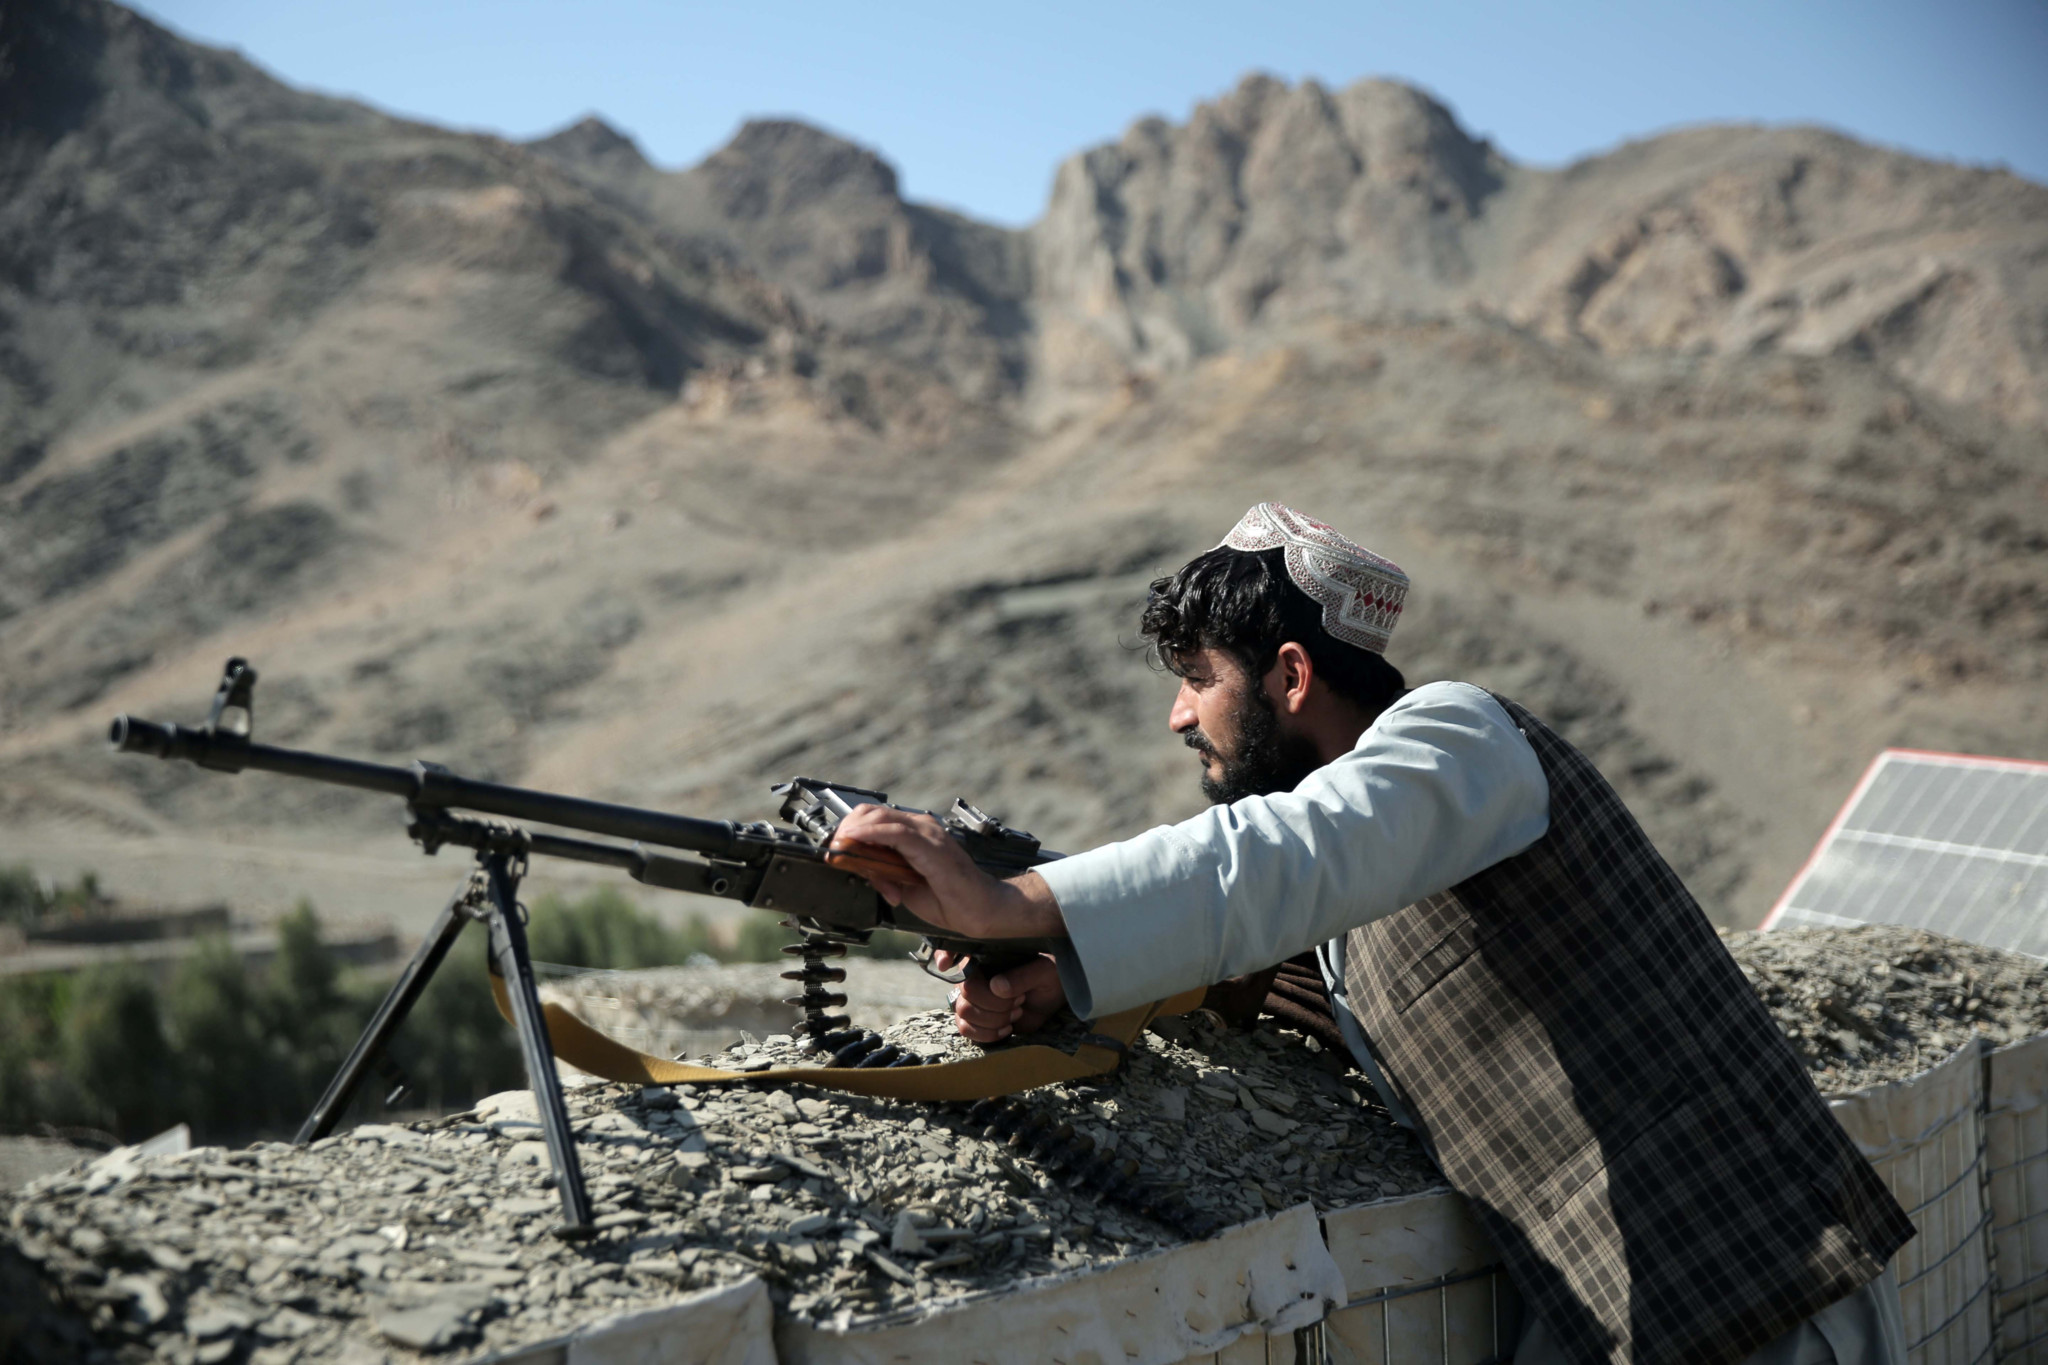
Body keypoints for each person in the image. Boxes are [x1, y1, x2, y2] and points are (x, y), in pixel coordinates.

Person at [834, 503, 1914, 1365]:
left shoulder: (1459, 739)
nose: (1178, 716)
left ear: (1290, 676)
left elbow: (1273, 862)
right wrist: (1059, 975)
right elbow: (1270, 948)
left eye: (1198, 679)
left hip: (1760, 1298)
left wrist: (1015, 902)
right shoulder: (1370, 862)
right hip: (1630, 1315)